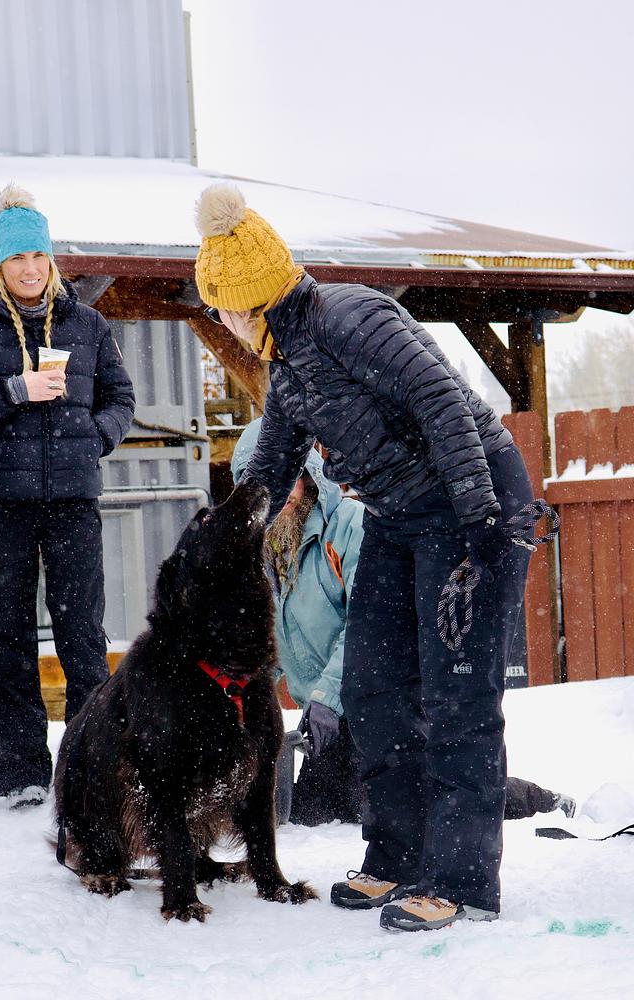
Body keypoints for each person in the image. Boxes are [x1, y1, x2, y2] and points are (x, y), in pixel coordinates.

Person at [195, 183, 540, 931]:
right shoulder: (289, 366)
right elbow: (272, 467)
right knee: (377, 685)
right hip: (397, 512)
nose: (220, 322)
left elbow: (444, 403)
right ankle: (398, 854)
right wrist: (225, 542)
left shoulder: (349, 317)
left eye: (218, 308)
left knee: (456, 694)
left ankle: (462, 881)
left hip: (470, 501)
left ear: (245, 304)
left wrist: (481, 518)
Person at [231, 418, 576, 833]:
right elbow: (263, 647)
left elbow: (364, 627)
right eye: (266, 485)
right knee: (310, 815)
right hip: (327, 721)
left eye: (291, 478)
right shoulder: (262, 557)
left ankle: (538, 801)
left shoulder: (350, 527)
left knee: (414, 798)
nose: (282, 493)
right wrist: (239, 701)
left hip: (384, 700)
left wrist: (326, 697)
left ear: (310, 478)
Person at [0, 184, 134, 809]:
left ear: (51, 260)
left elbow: (121, 398)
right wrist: (13, 390)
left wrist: (95, 438)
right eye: (16, 259)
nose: (29, 270)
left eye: (38, 257)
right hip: (2, 505)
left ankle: (90, 767)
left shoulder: (89, 324)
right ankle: (22, 774)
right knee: (9, 639)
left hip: (74, 502)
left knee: (83, 636)